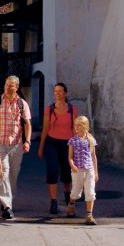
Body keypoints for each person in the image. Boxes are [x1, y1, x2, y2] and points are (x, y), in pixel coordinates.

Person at [0, 75, 31, 219]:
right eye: (6, 84)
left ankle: (7, 199)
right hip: (0, 144)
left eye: (11, 85)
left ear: (16, 87)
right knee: (3, 172)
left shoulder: (22, 104)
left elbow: (27, 124)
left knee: (13, 175)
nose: (7, 87)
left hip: (17, 144)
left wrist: (27, 141)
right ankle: (7, 205)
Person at [38, 82, 77, 214]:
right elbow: (45, 129)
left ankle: (67, 194)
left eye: (60, 91)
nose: (57, 93)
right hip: (52, 143)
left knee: (67, 173)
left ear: (65, 93)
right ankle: (53, 201)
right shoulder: (49, 109)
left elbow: (74, 129)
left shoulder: (72, 109)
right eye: (55, 91)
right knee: (52, 172)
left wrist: (76, 147)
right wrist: (41, 147)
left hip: (68, 144)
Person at [67, 115, 98, 225]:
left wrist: (95, 172)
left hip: (89, 169)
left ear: (85, 126)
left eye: (79, 125)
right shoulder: (72, 141)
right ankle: (71, 204)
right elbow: (70, 156)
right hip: (77, 170)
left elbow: (93, 156)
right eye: (75, 125)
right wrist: (72, 165)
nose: (77, 127)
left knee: (90, 192)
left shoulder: (91, 140)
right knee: (76, 192)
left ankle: (89, 215)